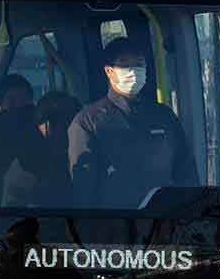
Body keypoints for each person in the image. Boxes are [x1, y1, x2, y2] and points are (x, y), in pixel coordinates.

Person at [68, 36, 199, 207]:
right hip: (116, 225)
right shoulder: (87, 122)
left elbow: (186, 172)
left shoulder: (164, 116)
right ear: (109, 71)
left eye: (139, 64)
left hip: (164, 221)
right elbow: (84, 190)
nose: (133, 71)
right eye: (124, 64)